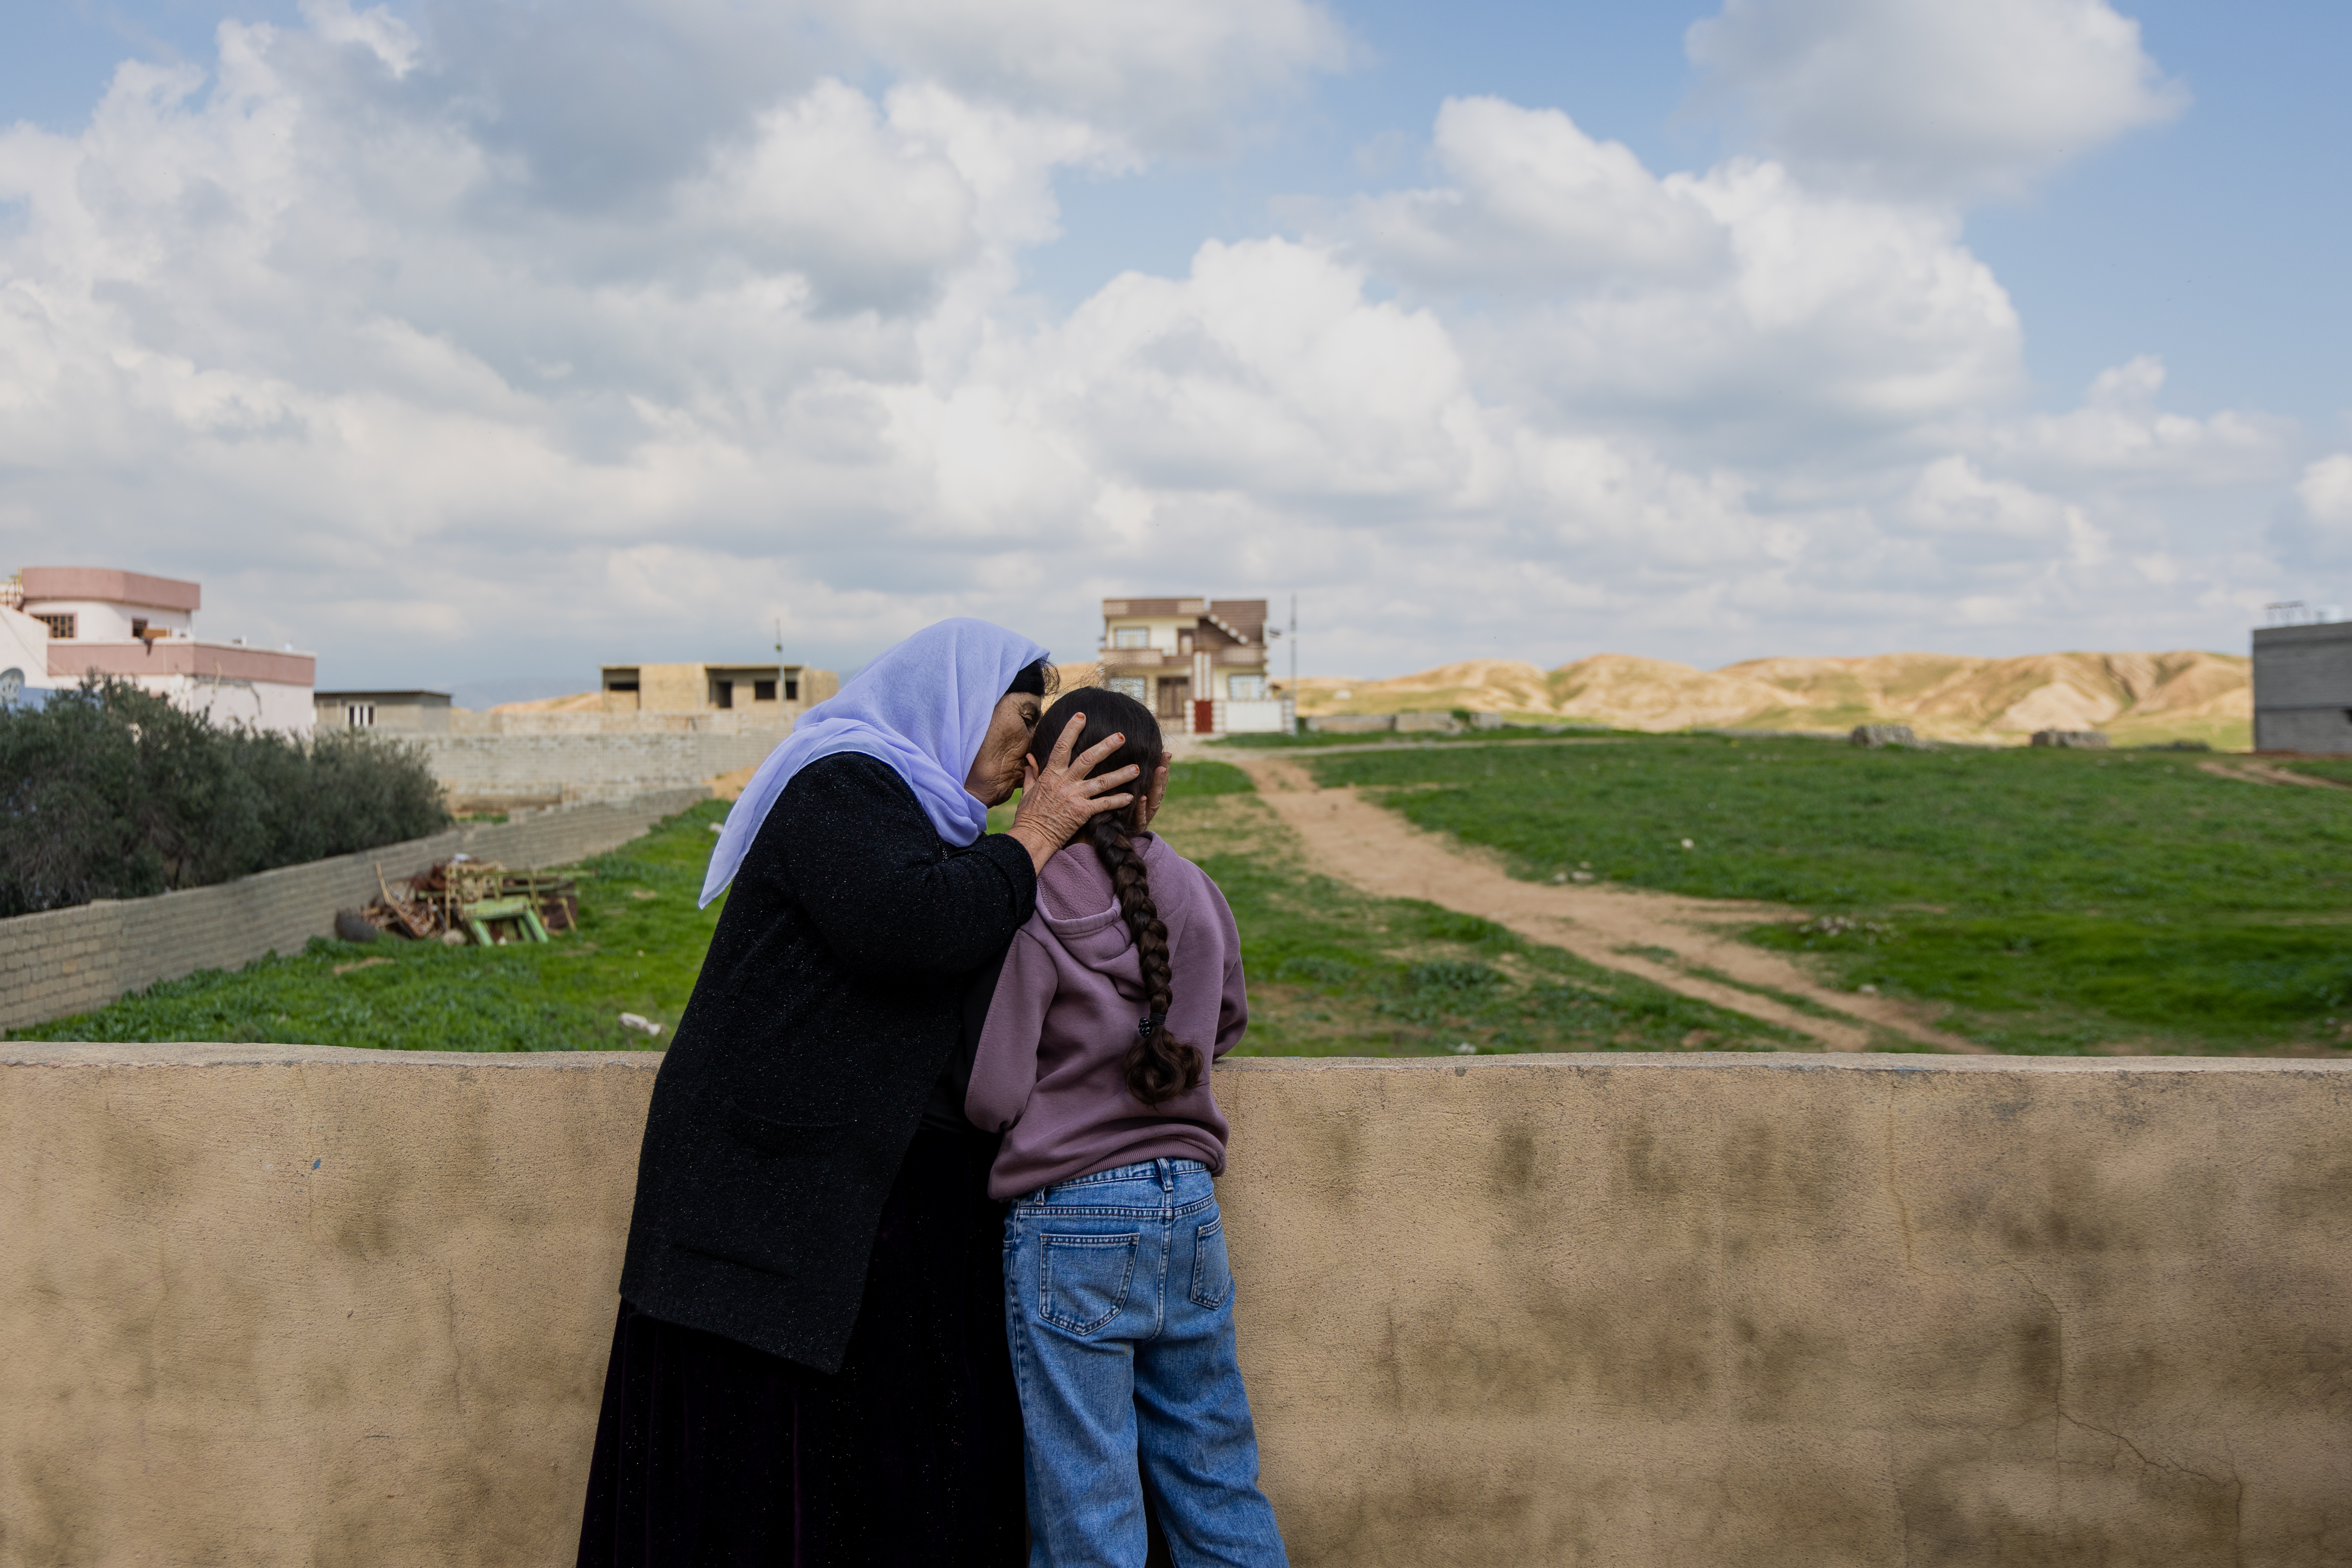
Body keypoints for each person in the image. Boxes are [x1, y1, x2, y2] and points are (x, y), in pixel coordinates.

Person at [575, 619, 1154, 1568]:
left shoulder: (922, 814)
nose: (1030, 748)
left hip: (844, 1202)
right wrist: (1038, 836)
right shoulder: (846, 782)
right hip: (760, 1204)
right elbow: (914, 928)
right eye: (1022, 715)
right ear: (960, 704)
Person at [965, 687, 1289, 1568]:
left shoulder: (1027, 909)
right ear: (1158, 785)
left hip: (1069, 1221)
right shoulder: (1195, 887)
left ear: (1038, 778)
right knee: (1216, 1476)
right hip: (1188, 1209)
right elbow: (1223, 1025)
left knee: (1088, 1500)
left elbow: (994, 1095)